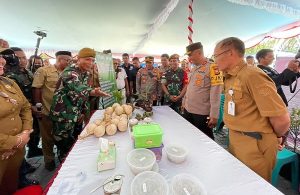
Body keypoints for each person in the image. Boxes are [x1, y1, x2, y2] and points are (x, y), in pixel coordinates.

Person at [213, 37, 290, 181]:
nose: (214, 60)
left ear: (230, 53)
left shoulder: (252, 75)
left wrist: (275, 137)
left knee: (252, 186)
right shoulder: (230, 76)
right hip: (236, 138)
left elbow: (282, 119)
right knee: (237, 182)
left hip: (255, 145)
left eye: (215, 55)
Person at [49, 48, 110, 162]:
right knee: (64, 145)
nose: (90, 63)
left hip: (76, 114)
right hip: (63, 115)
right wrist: (93, 92)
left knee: (76, 142)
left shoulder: (85, 73)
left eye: (92, 60)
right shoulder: (70, 73)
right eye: (87, 59)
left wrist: (83, 112)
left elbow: (83, 97)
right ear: (78, 59)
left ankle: (75, 161)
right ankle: (64, 168)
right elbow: (79, 88)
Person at [0, 48, 33, 195]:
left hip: (17, 151)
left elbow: (25, 107)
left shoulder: (9, 82)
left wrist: (25, 132)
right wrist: (14, 141)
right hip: (4, 150)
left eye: (2, 57)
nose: (3, 61)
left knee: (10, 185)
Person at [32, 51, 72, 171]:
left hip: (63, 113)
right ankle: (49, 160)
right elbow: (37, 88)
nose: (70, 62)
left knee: (61, 136)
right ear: (60, 60)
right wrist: (39, 108)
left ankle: (62, 156)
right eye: (68, 60)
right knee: (47, 137)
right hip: (47, 111)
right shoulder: (44, 71)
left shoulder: (69, 73)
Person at [182, 42, 223, 140]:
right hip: (188, 109)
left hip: (201, 113)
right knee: (190, 136)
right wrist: (184, 102)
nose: (189, 58)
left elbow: (216, 93)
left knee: (205, 139)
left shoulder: (214, 67)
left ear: (199, 53)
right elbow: (190, 87)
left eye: (190, 55)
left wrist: (214, 114)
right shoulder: (194, 68)